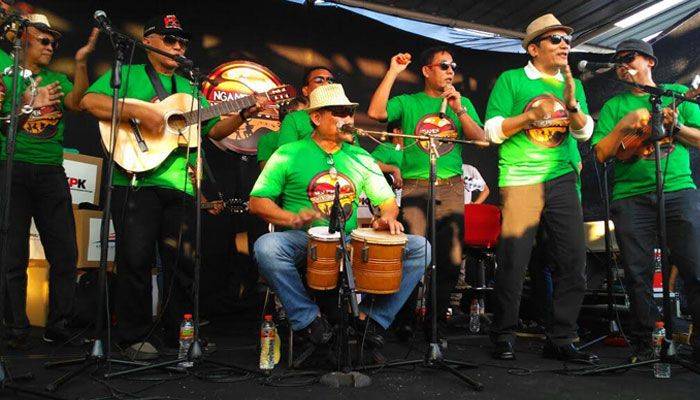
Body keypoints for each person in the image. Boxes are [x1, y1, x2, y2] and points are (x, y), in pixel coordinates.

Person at [80, 13, 258, 360]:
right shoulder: (128, 74)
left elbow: (212, 132)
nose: (178, 46)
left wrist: (241, 114)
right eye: (170, 40)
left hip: (182, 186)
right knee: (135, 259)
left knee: (183, 263)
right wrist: (137, 110)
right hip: (136, 179)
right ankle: (132, 336)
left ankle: (178, 333)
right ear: (148, 42)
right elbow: (89, 102)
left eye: (182, 42)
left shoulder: (190, 88)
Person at [250, 84, 429, 357]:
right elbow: (258, 201)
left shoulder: (360, 156)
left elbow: (388, 203)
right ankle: (309, 321)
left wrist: (386, 218)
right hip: (304, 239)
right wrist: (292, 217)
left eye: (350, 113)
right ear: (316, 117)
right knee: (267, 247)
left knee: (421, 248)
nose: (347, 119)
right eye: (339, 113)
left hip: (349, 241)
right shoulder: (288, 153)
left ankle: (371, 320)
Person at [483, 14, 596, 362]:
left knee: (573, 260)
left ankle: (561, 338)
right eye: (555, 40)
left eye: (566, 40)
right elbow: (491, 131)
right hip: (521, 178)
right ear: (533, 49)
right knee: (514, 261)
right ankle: (503, 334)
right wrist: (528, 118)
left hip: (561, 177)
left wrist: (572, 102)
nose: (565, 45)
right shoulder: (512, 79)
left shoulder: (570, 83)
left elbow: (584, 133)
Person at [592, 39, 700, 364]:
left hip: (678, 190)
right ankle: (644, 345)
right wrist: (626, 125)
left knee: (695, 266)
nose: (622, 65)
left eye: (628, 58)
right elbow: (600, 153)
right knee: (636, 273)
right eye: (617, 61)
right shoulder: (614, 106)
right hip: (629, 197)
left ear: (650, 62)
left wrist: (676, 126)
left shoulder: (676, 94)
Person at [367, 46, 485, 332]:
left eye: (453, 66)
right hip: (416, 187)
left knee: (450, 261)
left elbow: (481, 141)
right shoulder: (409, 103)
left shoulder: (461, 102)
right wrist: (394, 71)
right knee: (413, 256)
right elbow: (375, 112)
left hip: (452, 188)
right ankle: (403, 321)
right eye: (443, 65)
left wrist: (460, 110)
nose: (450, 71)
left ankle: (435, 324)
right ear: (426, 70)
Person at [0, 14, 98, 349]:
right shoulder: (2, 64)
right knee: (12, 252)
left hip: (50, 169)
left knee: (65, 251)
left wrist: (82, 63)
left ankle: (58, 325)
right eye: (44, 40)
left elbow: (77, 103)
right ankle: (15, 329)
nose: (51, 46)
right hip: (10, 165)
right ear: (23, 37)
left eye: (54, 42)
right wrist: (27, 103)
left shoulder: (57, 77)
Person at [257, 96, 307, 169]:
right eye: (302, 114)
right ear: (291, 113)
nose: (307, 118)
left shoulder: (311, 136)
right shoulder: (267, 140)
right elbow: (267, 173)